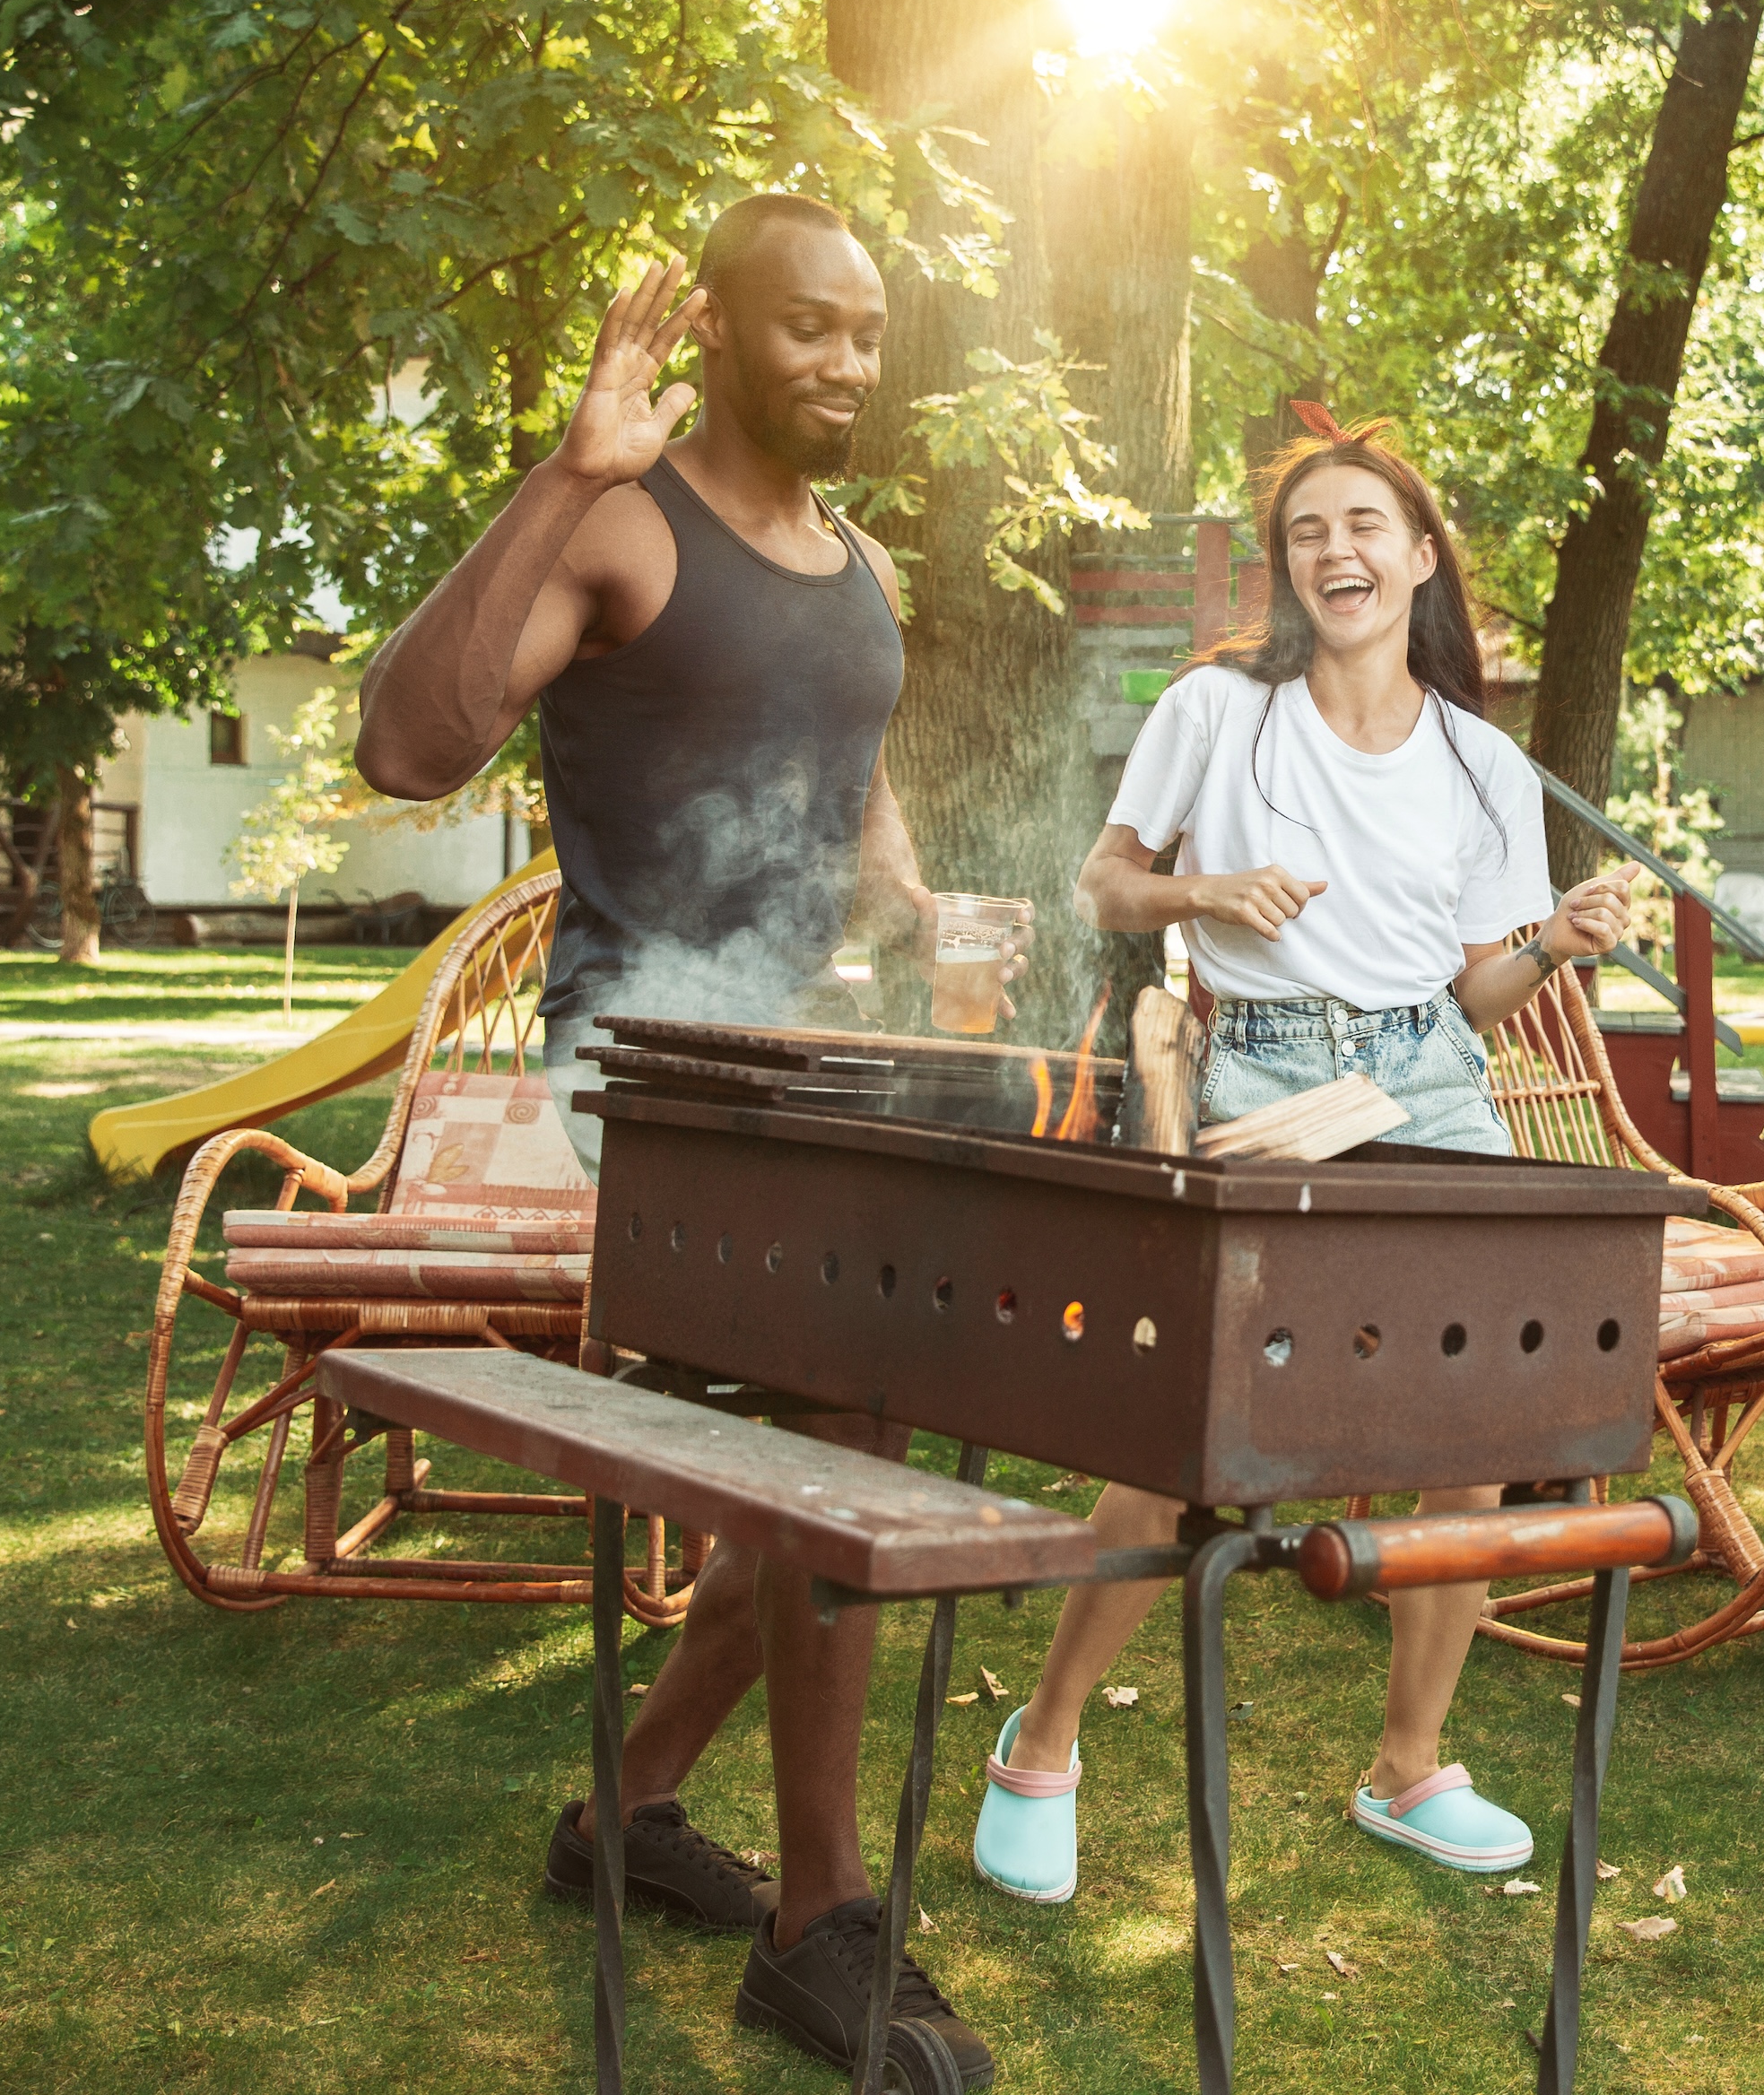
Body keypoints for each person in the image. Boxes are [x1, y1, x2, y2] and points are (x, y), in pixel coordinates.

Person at [356, 194, 995, 2084]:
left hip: (795, 1065)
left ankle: (626, 1807)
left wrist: (917, 911)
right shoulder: (626, 525)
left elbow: (852, 809)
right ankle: (819, 1923)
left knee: (844, 1418)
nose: (850, 363)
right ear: (713, 327)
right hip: (630, 1062)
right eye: (809, 326)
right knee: (848, 1413)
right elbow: (408, 748)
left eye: (867, 331)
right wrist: (565, 473)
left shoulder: (860, 566)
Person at [969, 409, 1635, 1902]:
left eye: (1364, 526)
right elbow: (1103, 887)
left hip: (1432, 1078)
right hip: (1264, 1069)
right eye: (1307, 533)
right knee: (1198, 1434)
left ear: (1420, 557)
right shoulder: (1217, 711)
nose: (1337, 550)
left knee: (1474, 1433)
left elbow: (1472, 995)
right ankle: (1042, 1740)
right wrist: (1209, 892)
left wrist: (1553, 941)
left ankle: (1410, 1766)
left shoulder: (1483, 763)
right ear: (1288, 568)